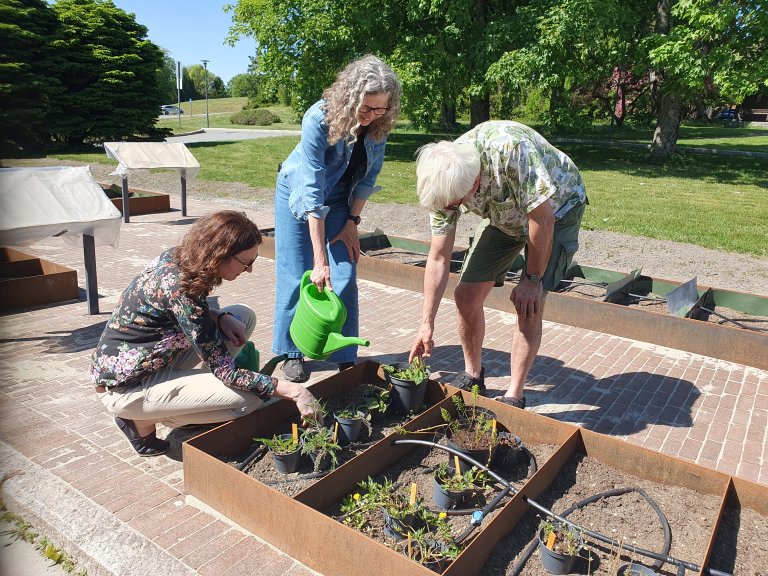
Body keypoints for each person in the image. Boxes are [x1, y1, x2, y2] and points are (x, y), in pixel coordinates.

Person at [89, 210, 319, 457]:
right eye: (246, 262)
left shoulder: (179, 258)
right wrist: (296, 391)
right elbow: (225, 371)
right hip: (126, 388)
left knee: (241, 315)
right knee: (250, 400)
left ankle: (191, 396)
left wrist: (218, 316)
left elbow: (182, 309)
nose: (249, 270)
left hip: (151, 360)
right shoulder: (181, 289)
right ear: (220, 255)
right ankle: (141, 420)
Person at [408, 121, 587, 409]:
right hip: (505, 217)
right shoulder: (443, 179)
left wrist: (532, 279)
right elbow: (439, 256)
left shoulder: (511, 150)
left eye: (455, 206)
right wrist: (425, 324)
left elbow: (542, 220)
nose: (450, 211)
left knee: (529, 303)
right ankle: (473, 374)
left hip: (557, 211)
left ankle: (514, 395)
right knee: (465, 296)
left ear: (475, 184)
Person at [272, 54, 401, 382]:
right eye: (366, 108)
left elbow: (369, 178)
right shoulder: (318, 118)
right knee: (297, 272)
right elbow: (312, 191)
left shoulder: (378, 126)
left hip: (342, 201)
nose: (372, 116)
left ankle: (343, 353)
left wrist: (351, 224)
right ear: (351, 97)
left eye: (381, 109)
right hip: (299, 194)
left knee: (344, 273)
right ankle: (291, 352)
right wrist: (319, 260)